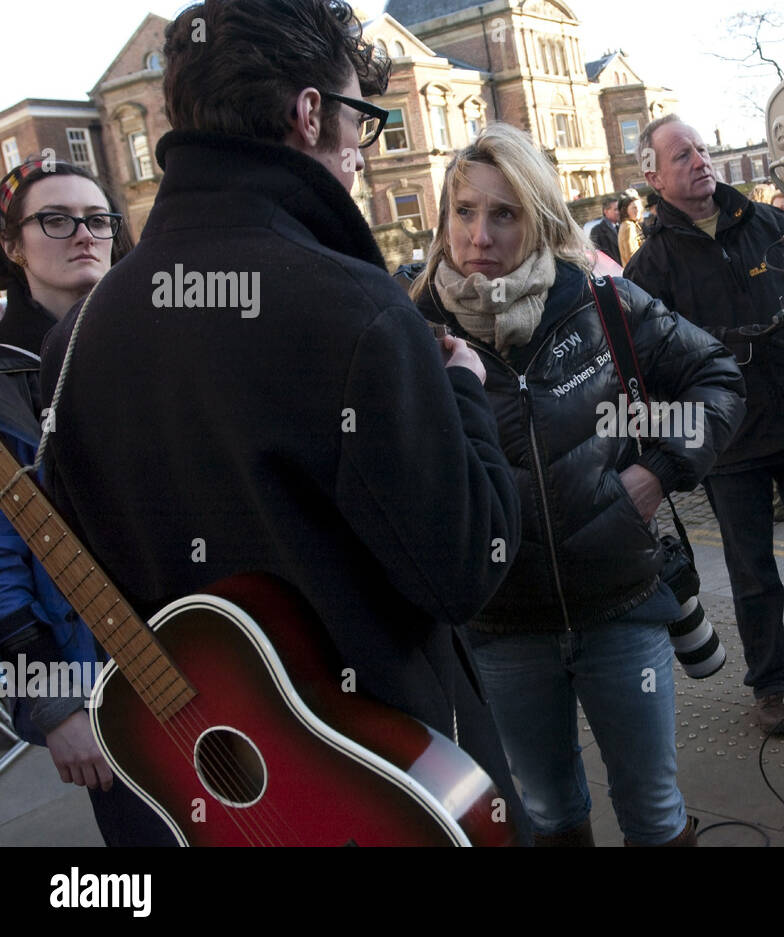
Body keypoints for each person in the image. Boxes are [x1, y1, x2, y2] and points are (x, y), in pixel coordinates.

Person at [38, 0, 525, 842]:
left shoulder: (76, 339)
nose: (360, 161)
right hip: (388, 784)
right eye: (358, 123)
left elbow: (90, 568)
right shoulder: (359, 310)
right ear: (309, 116)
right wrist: (463, 393)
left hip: (223, 800)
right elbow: (465, 568)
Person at [405, 123, 744, 846]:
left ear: (541, 218)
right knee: (551, 813)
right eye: (464, 211)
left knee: (653, 808)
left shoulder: (602, 303)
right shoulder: (414, 332)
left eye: (504, 213)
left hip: (620, 607)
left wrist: (658, 472)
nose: (479, 234)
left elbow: (716, 376)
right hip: (500, 629)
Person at [624, 114, 784, 736]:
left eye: (701, 148)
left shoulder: (770, 223)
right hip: (730, 441)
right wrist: (722, 348)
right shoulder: (650, 269)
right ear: (654, 176)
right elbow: (652, 366)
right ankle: (771, 683)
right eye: (681, 156)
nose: (700, 160)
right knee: (753, 572)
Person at [0, 158, 173, 845]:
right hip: (100, 686)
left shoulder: (152, 345)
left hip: (215, 653)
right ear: (13, 245)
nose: (84, 234)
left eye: (98, 219)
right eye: (55, 219)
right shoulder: (7, 382)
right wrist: (53, 703)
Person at [590, 195, 621, 260]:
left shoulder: (622, 227)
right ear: (606, 211)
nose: (618, 212)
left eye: (618, 209)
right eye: (615, 209)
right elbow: (597, 255)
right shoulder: (597, 231)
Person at [616, 192, 643, 265]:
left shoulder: (631, 224)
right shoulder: (628, 226)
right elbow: (632, 256)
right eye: (634, 207)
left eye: (639, 207)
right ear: (626, 210)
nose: (637, 210)